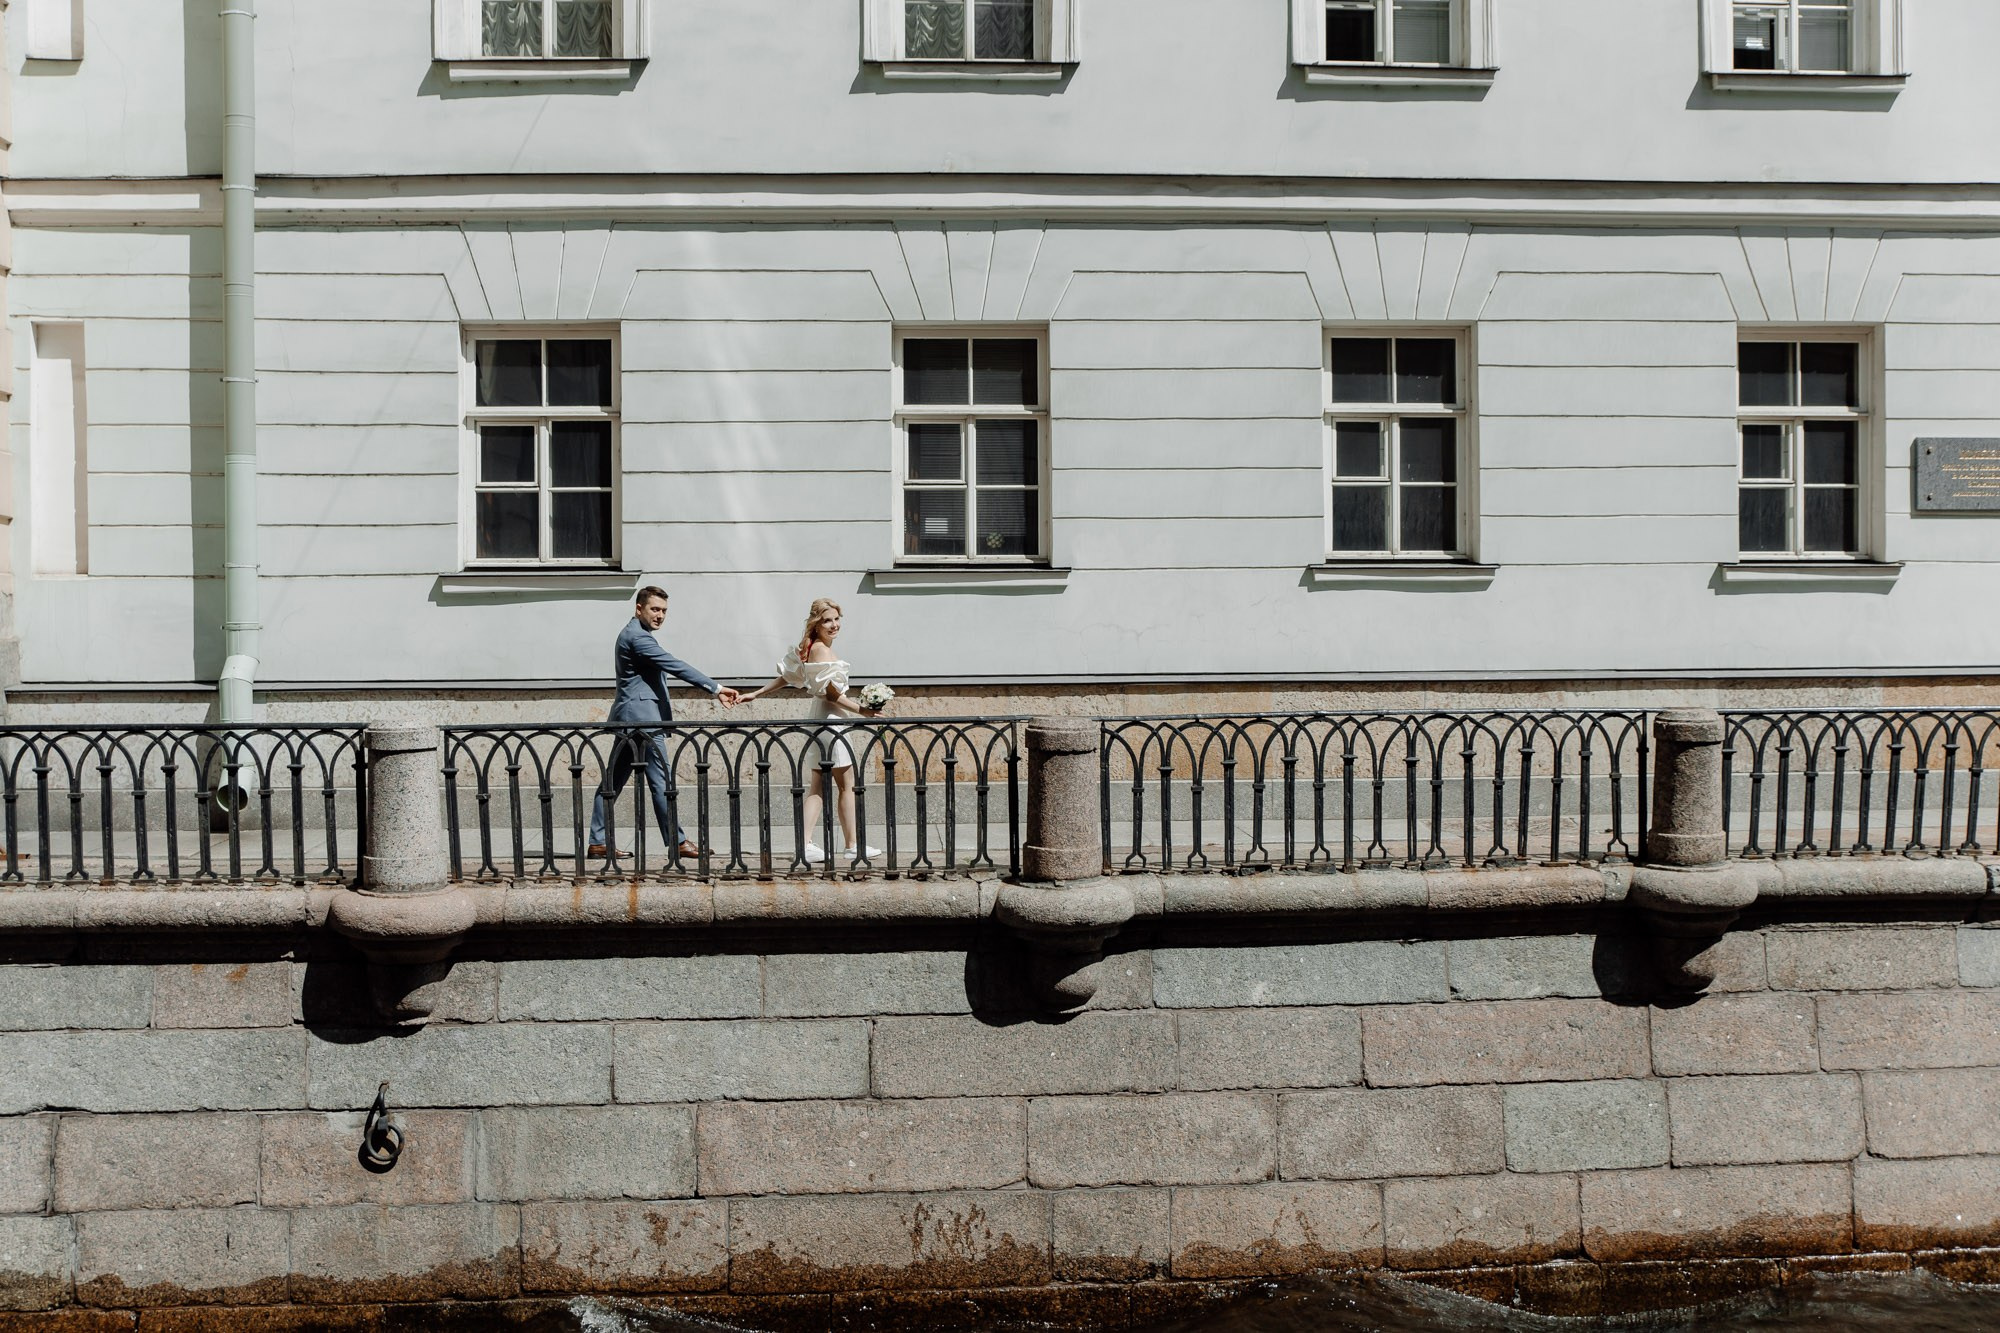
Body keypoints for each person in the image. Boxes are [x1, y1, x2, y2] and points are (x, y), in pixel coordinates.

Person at [587, 586, 740, 860]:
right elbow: (675, 665)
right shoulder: (638, 638)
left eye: (664, 611)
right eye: (654, 609)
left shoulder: (635, 634)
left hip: (630, 720)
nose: (660, 616)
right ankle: (677, 841)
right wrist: (715, 688)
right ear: (639, 608)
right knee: (661, 782)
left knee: (612, 783)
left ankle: (598, 841)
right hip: (644, 724)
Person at [739, 597, 883, 863]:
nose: (834, 625)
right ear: (816, 624)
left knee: (820, 784)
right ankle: (849, 845)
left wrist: (756, 693)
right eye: (827, 620)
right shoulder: (820, 650)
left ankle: (810, 843)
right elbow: (830, 695)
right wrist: (862, 711)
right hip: (830, 719)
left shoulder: (814, 648)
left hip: (827, 719)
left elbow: (789, 676)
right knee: (846, 784)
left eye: (837, 619)